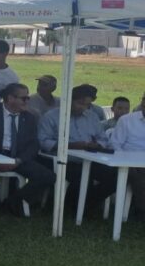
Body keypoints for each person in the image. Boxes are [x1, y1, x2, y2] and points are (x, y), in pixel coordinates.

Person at [0, 83, 55, 216]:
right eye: (24, 98)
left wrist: (19, 160)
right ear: (10, 98)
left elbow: (33, 145)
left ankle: (14, 201)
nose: (27, 101)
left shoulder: (29, 117)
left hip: (16, 157)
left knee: (48, 176)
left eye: (28, 98)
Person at [38, 84, 115, 212]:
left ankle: (86, 203)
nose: (83, 107)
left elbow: (103, 138)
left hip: (89, 158)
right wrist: (70, 145)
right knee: (83, 176)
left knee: (114, 175)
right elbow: (43, 142)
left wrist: (97, 145)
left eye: (87, 105)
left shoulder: (92, 117)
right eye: (80, 103)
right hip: (62, 160)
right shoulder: (51, 116)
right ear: (69, 100)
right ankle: (77, 207)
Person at [114, 92, 145, 219]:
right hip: (128, 162)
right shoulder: (127, 120)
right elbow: (115, 144)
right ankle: (141, 210)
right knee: (138, 173)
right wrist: (126, 160)